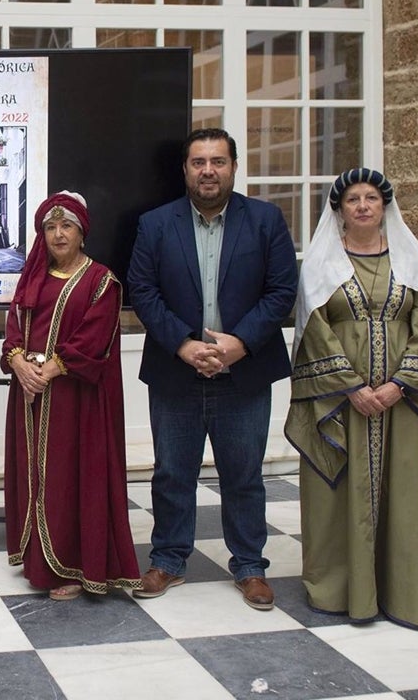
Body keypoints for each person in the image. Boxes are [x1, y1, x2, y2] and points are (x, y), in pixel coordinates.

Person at [285, 168, 418, 629]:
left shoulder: (412, 260)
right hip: (341, 404)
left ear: (384, 206)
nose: (362, 205)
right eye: (352, 200)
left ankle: (405, 588)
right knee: (338, 493)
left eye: (371, 198)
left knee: (403, 491)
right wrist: (351, 386)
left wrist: (398, 384)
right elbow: (313, 332)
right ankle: (343, 589)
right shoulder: (322, 265)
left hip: (401, 403)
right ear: (339, 210)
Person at [127, 128, 297, 610]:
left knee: (244, 476)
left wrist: (240, 343)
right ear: (185, 169)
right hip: (175, 372)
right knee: (171, 474)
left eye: (218, 161)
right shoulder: (156, 224)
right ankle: (169, 560)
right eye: (199, 161)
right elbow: (143, 291)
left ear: (233, 167)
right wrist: (182, 344)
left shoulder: (264, 220)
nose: (208, 170)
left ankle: (249, 566)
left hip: (242, 374)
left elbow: (282, 290)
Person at [0, 191, 140, 600]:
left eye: (67, 226)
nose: (58, 235)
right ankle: (37, 559)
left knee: (69, 477)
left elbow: (95, 339)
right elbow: (15, 323)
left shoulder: (102, 281)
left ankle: (75, 566)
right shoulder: (33, 275)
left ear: (82, 231)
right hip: (29, 394)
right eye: (50, 227)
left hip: (75, 399)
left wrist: (51, 369)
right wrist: (18, 362)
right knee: (35, 476)